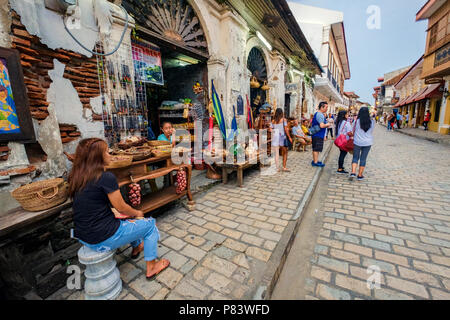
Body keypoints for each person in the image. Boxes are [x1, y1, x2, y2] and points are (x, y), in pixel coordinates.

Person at [69, 138, 170, 279]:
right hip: (102, 237)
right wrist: (138, 212)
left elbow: (94, 205)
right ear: (97, 157)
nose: (110, 155)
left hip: (83, 235)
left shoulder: (77, 176)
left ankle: (137, 247)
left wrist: (122, 213)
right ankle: (152, 267)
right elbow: (122, 207)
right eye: (106, 152)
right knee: (149, 225)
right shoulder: (105, 177)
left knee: (126, 217)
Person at [349, 107, 375, 181]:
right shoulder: (372, 122)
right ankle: (360, 175)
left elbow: (352, 131)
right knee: (363, 159)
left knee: (355, 157)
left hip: (357, 142)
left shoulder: (356, 121)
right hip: (367, 142)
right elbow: (371, 131)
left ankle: (353, 172)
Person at [311, 102, 332, 167]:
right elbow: (322, 125)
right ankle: (315, 162)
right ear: (322, 107)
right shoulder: (320, 115)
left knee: (316, 148)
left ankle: (316, 160)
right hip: (318, 134)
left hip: (317, 134)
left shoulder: (319, 114)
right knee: (316, 149)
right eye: (326, 107)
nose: (327, 109)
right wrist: (328, 124)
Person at [335, 110, 353, 174]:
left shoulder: (339, 122)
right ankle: (340, 168)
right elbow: (349, 133)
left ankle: (341, 167)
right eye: (347, 114)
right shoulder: (346, 123)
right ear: (344, 115)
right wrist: (353, 134)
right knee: (343, 154)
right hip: (344, 141)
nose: (348, 115)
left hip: (339, 140)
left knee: (341, 154)